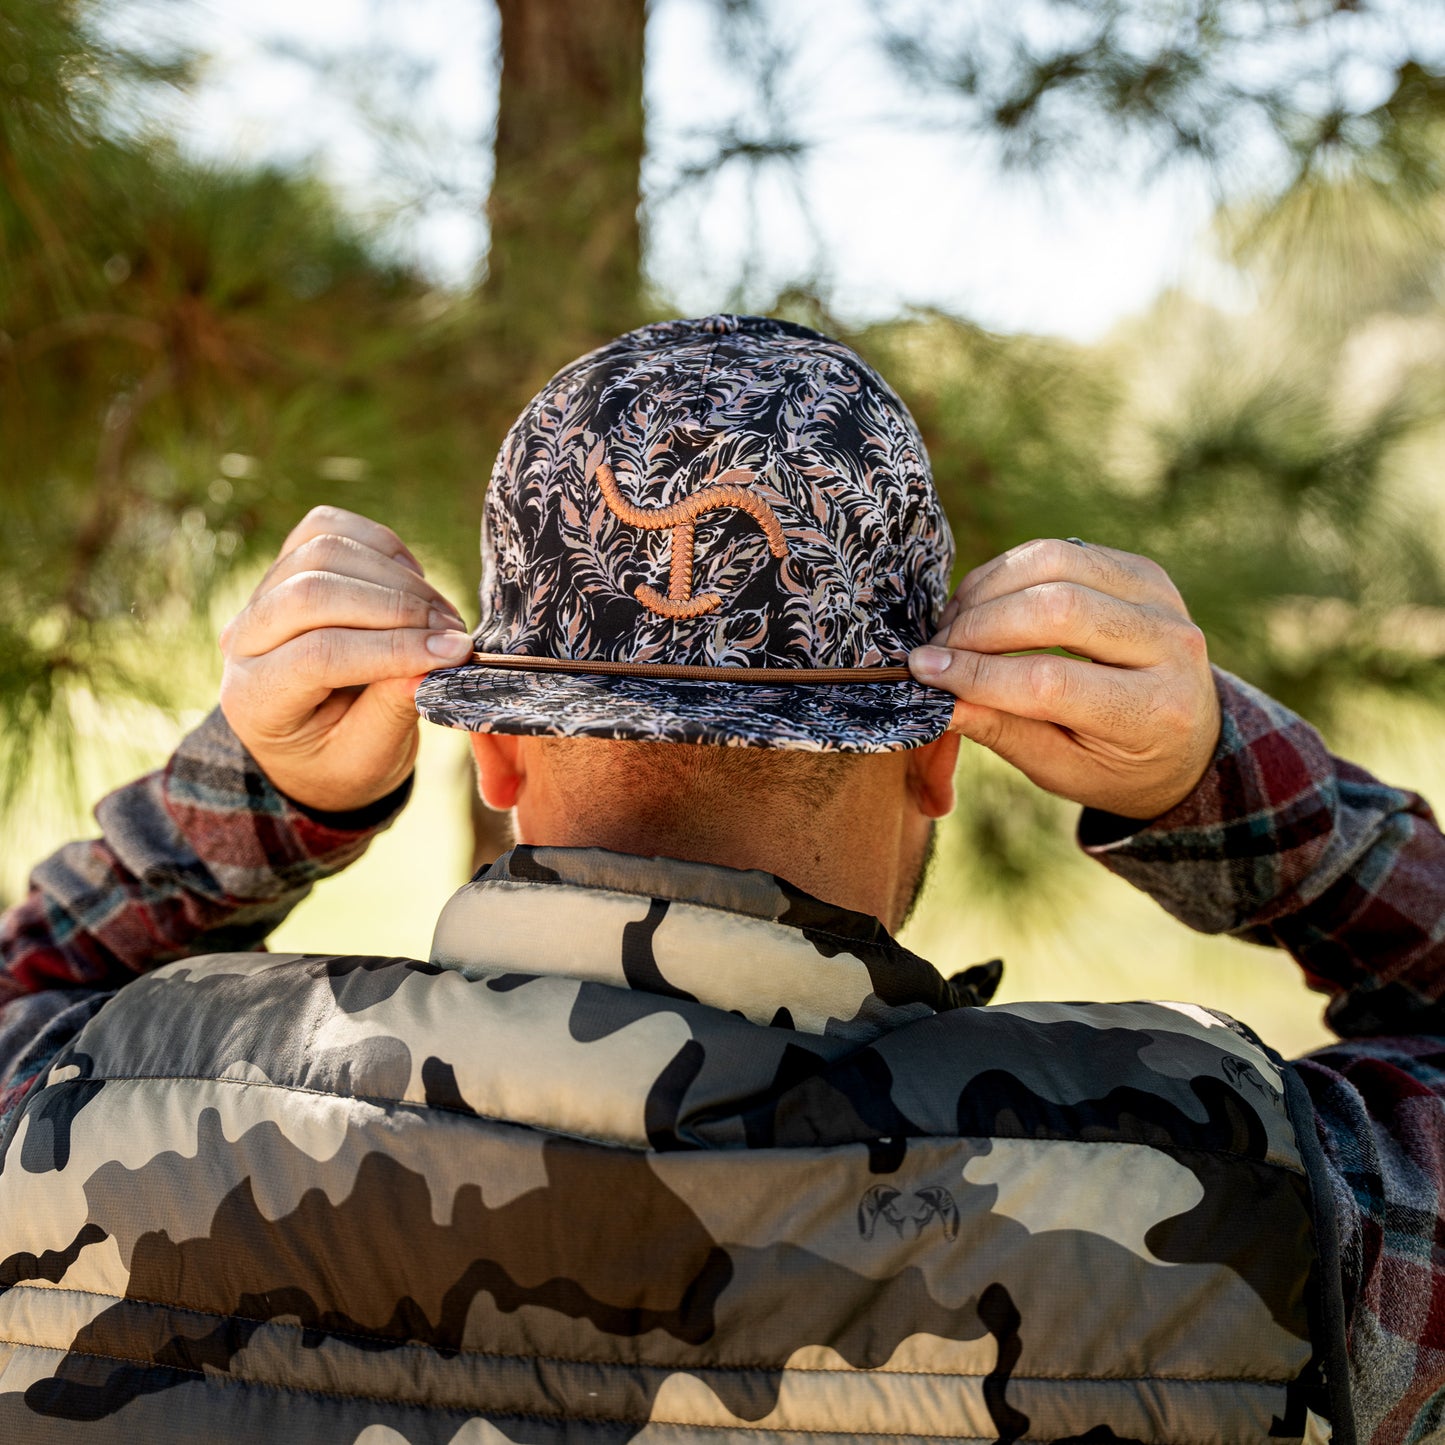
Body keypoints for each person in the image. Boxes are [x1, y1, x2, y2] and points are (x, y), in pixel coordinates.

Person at [0, 315, 1438, 1444]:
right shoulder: (1242, 1188)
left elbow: (31, 978)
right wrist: (1213, 779)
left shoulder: (84, 1120)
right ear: (942, 755)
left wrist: (261, 797)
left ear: (492, 752)